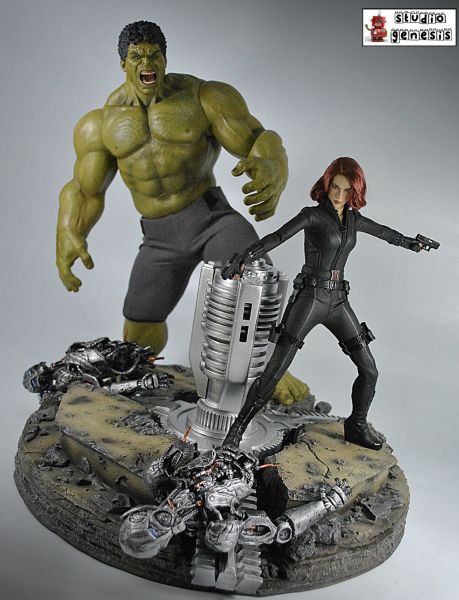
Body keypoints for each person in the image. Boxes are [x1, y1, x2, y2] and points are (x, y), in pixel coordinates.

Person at [55, 21, 307, 404]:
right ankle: (136, 379)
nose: (146, 63)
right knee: (140, 322)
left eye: (154, 55)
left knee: (255, 283)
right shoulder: (101, 125)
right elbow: (84, 190)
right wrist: (68, 231)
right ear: (123, 63)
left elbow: (258, 139)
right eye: (137, 56)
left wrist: (274, 163)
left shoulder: (204, 97)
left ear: (165, 58)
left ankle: (272, 366)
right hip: (159, 238)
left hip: (212, 220)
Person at [222, 157, 430, 450]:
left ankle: (356, 426)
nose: (339, 195)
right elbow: (278, 236)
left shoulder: (354, 220)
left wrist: (412, 243)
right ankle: (236, 431)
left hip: (338, 301)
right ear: (326, 184)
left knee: (369, 369)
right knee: (275, 371)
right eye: (335, 187)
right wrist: (246, 256)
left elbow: (385, 233)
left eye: (346, 190)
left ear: (355, 191)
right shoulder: (313, 216)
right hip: (310, 298)